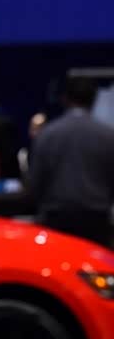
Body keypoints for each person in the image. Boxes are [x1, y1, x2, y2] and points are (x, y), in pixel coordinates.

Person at [29, 76, 114, 247]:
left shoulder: (48, 134)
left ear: (65, 99)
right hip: (96, 221)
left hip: (57, 219)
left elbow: (36, 182)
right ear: (93, 99)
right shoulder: (108, 136)